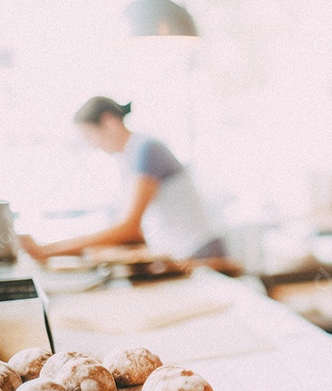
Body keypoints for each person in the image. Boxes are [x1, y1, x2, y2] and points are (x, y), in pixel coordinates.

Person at [18, 96, 237, 275]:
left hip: (198, 254)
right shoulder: (130, 157)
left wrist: (49, 250)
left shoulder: (145, 149)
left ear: (109, 121)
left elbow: (129, 228)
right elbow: (136, 230)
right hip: (181, 254)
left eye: (89, 135)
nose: (92, 145)